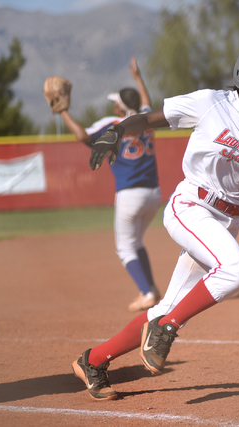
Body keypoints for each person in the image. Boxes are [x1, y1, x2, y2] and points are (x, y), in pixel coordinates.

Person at [71, 38, 239, 401]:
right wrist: (116, 132)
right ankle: (167, 328)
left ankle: (93, 360)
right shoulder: (211, 102)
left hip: (228, 222)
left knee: (167, 305)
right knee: (237, 271)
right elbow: (152, 118)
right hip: (190, 206)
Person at [59, 57, 162, 312]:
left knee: (124, 248)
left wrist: (63, 111)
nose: (113, 105)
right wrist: (138, 77)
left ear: (121, 108)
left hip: (130, 194)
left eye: (116, 102)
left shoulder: (113, 124)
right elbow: (145, 101)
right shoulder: (146, 117)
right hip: (154, 194)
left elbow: (83, 136)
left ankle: (147, 292)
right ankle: (151, 289)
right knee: (136, 243)